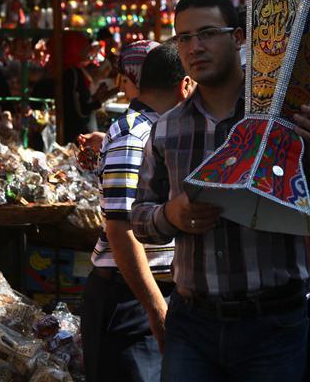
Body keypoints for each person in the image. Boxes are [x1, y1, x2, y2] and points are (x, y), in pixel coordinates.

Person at [130, 0, 310, 381]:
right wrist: (170, 214)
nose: (195, 46)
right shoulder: (167, 128)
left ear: (239, 38)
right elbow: (141, 219)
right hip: (192, 323)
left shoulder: (284, 118)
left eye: (208, 33)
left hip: (273, 325)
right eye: (183, 37)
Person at [79, 43, 194, 382]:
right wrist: (157, 311)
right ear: (185, 86)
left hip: (150, 295)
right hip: (132, 300)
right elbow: (120, 230)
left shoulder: (156, 129)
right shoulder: (135, 135)